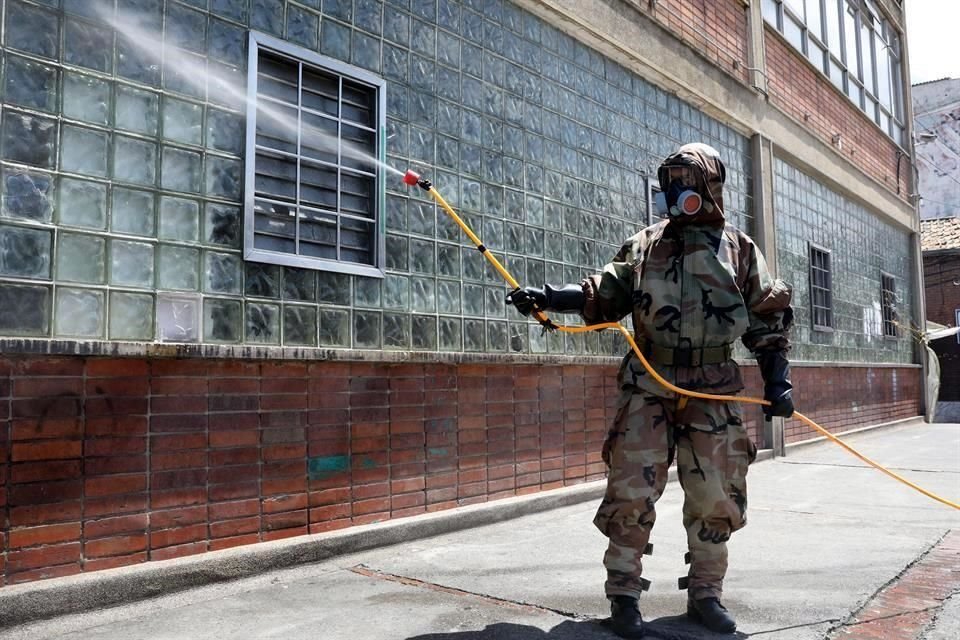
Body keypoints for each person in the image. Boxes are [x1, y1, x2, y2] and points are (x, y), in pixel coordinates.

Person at [507, 143, 794, 637]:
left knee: (715, 494)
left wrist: (777, 380)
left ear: (710, 187)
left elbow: (768, 316)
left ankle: (706, 594)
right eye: (672, 184)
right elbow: (606, 291)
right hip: (649, 383)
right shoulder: (644, 244)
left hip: (715, 387)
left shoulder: (739, 249)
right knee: (630, 490)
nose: (678, 193)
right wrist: (551, 297)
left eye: (688, 182)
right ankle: (623, 595)